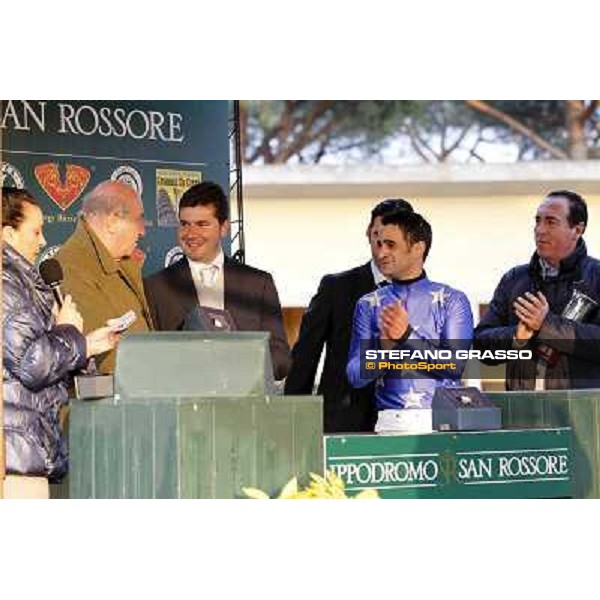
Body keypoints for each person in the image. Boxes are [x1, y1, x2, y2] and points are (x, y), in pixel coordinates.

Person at [2, 187, 117, 483]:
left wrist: (87, 344)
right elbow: (32, 366)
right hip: (14, 457)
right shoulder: (6, 283)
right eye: (36, 231)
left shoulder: (24, 284)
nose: (43, 241)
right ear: (8, 235)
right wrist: (67, 331)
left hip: (28, 449)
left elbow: (40, 361)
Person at [285, 198, 414, 433]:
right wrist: (293, 419)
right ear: (368, 233)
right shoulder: (337, 287)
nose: (382, 245)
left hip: (405, 420)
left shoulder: (425, 295)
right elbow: (305, 356)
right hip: (343, 423)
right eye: (377, 234)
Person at [144, 181, 291, 380]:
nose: (190, 234)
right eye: (185, 224)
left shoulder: (258, 284)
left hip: (244, 405)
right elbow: (148, 360)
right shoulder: (156, 287)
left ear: (224, 228)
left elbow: (281, 357)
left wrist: (242, 369)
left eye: (202, 224)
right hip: (183, 407)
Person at [346, 209, 473, 433]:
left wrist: (406, 336)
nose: (381, 252)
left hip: (444, 423)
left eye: (391, 245)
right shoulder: (367, 303)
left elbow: (455, 366)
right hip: (389, 424)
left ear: (417, 248)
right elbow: (355, 376)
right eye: (379, 243)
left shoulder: (453, 300)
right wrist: (385, 351)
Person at [474, 190, 600, 390]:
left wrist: (547, 325)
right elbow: (481, 347)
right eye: (537, 221)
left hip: (582, 413)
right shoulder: (514, 279)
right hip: (521, 412)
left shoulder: (596, 277)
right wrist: (516, 336)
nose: (540, 230)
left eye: (551, 222)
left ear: (577, 229)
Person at [56, 180, 154, 374]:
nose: (143, 231)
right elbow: (105, 362)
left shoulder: (119, 261)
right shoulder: (72, 269)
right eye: (138, 220)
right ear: (112, 221)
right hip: (112, 399)